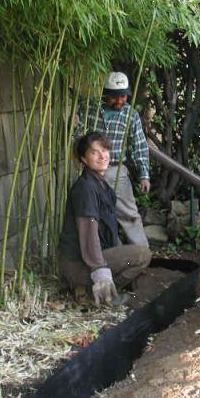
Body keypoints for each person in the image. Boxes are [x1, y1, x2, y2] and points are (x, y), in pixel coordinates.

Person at [57, 131, 151, 305]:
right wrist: (99, 270)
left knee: (132, 256)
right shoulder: (85, 189)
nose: (102, 156)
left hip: (85, 260)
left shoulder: (100, 184)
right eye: (94, 152)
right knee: (142, 255)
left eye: (105, 151)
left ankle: (86, 287)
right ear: (84, 159)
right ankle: (93, 293)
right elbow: (88, 234)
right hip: (77, 263)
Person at [76, 72, 150, 246]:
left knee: (128, 214)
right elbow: (77, 135)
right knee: (96, 214)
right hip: (89, 172)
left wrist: (144, 175)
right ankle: (109, 254)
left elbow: (139, 145)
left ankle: (142, 254)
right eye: (114, 97)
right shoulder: (89, 108)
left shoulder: (130, 115)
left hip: (116, 170)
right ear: (105, 94)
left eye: (123, 96)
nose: (119, 101)